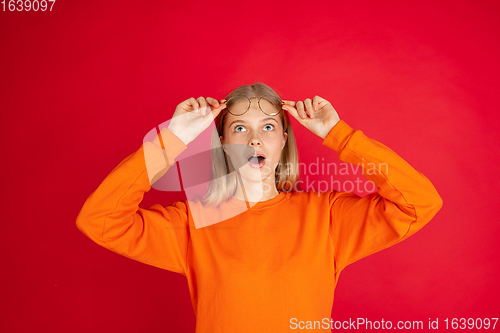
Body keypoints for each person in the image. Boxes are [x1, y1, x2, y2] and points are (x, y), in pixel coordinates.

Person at [76, 82, 443, 332]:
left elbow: (419, 203)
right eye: (239, 129)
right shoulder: (193, 223)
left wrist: (339, 134)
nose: (254, 138)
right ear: (221, 141)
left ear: (285, 138)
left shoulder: (327, 217)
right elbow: (100, 220)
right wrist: (173, 138)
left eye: (268, 127)